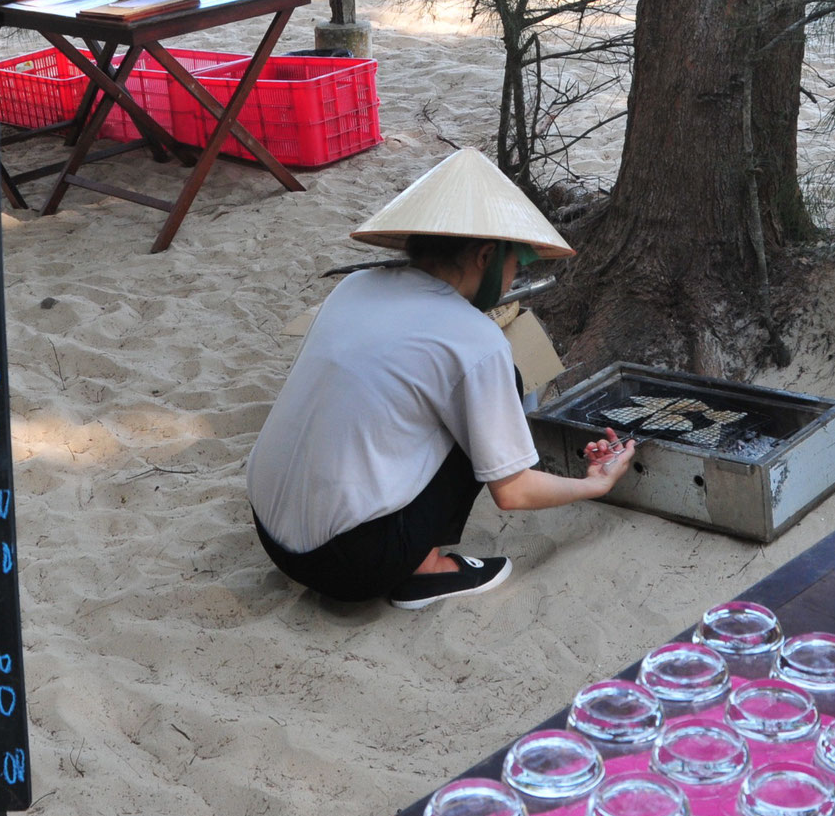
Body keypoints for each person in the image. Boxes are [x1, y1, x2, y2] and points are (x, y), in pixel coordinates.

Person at [246, 149, 635, 609]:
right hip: (354, 564)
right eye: (514, 265)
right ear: (486, 256)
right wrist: (596, 484)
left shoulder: (353, 287)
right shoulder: (475, 338)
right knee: (499, 386)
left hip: (270, 534)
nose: (512, 280)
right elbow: (513, 491)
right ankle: (425, 568)